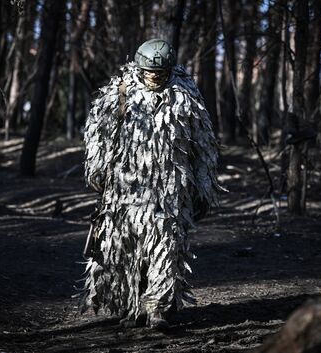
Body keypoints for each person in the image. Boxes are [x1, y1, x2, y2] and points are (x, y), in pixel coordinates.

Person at [79, 38, 221, 329]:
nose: (154, 77)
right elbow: (100, 134)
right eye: (149, 72)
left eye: (160, 73)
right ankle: (131, 308)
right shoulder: (120, 92)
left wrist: (204, 186)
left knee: (166, 248)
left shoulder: (186, 95)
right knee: (124, 248)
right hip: (125, 189)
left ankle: (158, 308)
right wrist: (97, 170)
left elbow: (203, 144)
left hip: (171, 190)